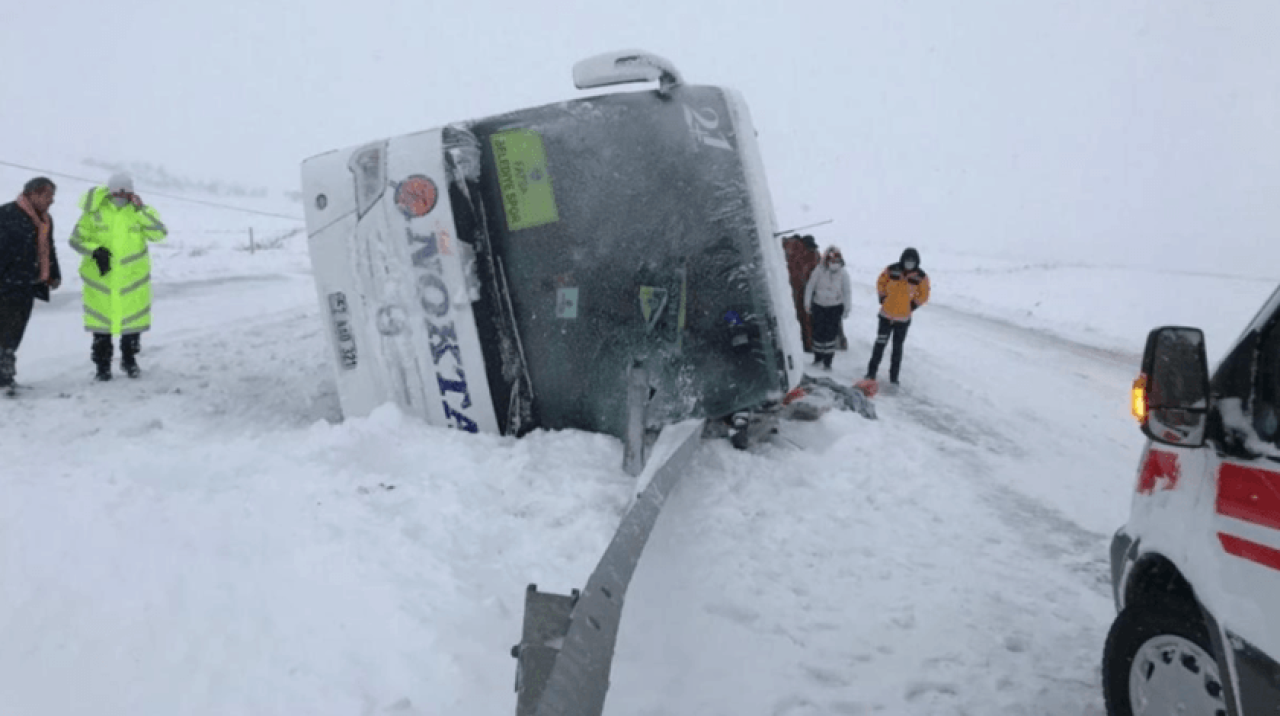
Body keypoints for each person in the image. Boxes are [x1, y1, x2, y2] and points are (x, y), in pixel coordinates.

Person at [69, 173, 167, 381]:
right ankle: (102, 368)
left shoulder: (138, 212)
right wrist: (95, 251)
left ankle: (129, 361)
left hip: (132, 282)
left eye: (126, 192)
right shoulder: (94, 213)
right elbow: (76, 240)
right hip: (101, 282)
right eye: (118, 191)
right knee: (102, 329)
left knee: (131, 327)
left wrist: (142, 210)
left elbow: (159, 233)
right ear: (110, 190)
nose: (122, 196)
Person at [0, 177, 62, 392]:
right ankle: (5, 378)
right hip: (6, 284)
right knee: (5, 332)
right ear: (32, 194)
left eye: (53, 196)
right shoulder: (6, 214)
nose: (52, 200)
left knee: (14, 331)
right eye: (48, 195)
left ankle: (5, 376)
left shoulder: (46, 219)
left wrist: (53, 274)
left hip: (28, 284)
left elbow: (48, 248)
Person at [866, 247, 930, 385]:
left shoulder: (921, 276)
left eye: (912, 261)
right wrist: (882, 296)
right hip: (885, 316)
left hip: (903, 320)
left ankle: (893, 378)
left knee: (897, 349)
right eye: (907, 260)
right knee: (879, 345)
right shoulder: (891, 269)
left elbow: (924, 295)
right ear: (902, 259)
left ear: (917, 262)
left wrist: (913, 305)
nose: (909, 263)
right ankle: (871, 373)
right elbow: (880, 282)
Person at [804, 245, 852, 370]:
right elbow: (810, 287)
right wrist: (807, 303)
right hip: (819, 306)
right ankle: (818, 357)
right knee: (818, 333)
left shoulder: (843, 274)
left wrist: (847, 307)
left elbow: (847, 291)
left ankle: (828, 361)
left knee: (831, 335)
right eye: (831, 261)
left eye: (836, 261)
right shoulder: (818, 271)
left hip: (835, 308)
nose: (834, 264)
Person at [783, 234, 821, 351]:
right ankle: (807, 344)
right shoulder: (799, 251)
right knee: (805, 318)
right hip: (799, 289)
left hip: (799, 289)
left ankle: (805, 344)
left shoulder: (792, 248)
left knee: (802, 318)